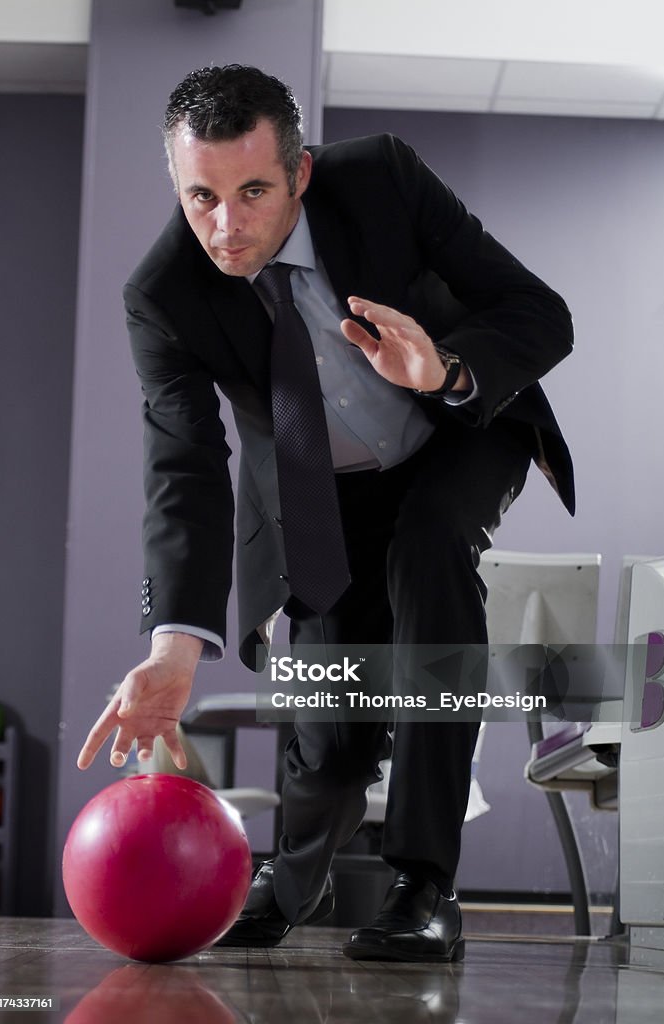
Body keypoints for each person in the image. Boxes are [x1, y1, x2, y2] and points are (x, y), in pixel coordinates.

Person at [78, 64, 574, 962]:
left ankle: (423, 885)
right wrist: (172, 647)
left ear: (300, 172)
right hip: (321, 492)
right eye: (201, 196)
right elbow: (183, 465)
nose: (225, 227)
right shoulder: (163, 294)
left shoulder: (381, 179)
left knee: (428, 556)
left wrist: (447, 370)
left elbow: (539, 312)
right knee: (335, 733)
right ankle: (290, 881)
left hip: (452, 433)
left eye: (254, 191)